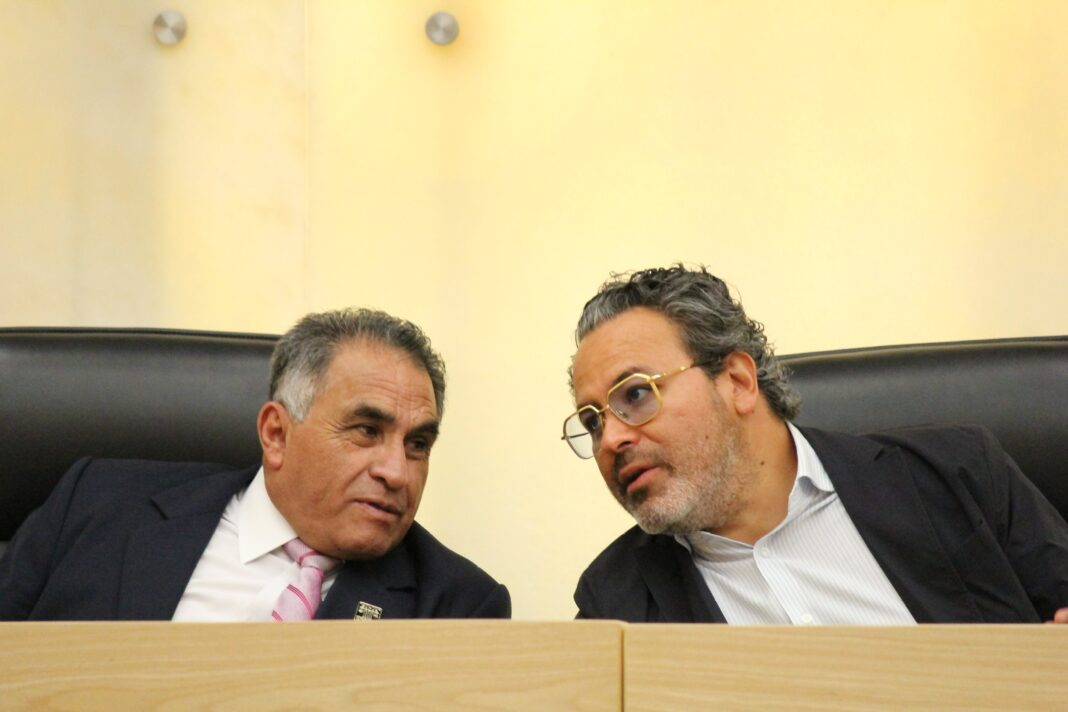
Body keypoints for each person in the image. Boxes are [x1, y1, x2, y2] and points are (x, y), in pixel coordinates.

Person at [564, 265, 1068, 624]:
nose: (611, 439)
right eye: (592, 421)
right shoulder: (614, 602)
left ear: (737, 381)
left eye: (635, 394)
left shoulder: (958, 476)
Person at [0, 308, 509, 621]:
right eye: (366, 431)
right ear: (276, 434)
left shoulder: (458, 605)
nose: (396, 472)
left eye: (417, 444)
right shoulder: (97, 505)